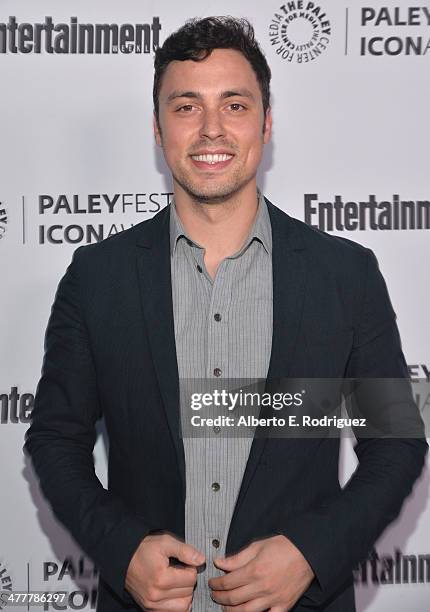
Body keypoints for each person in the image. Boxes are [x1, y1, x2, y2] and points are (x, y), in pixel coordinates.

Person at [24, 16, 427, 612]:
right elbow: (56, 440)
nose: (211, 128)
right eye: (186, 107)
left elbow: (395, 443)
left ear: (265, 124)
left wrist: (311, 553)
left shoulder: (346, 275)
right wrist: (123, 548)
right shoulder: (97, 277)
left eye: (234, 105)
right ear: (157, 131)